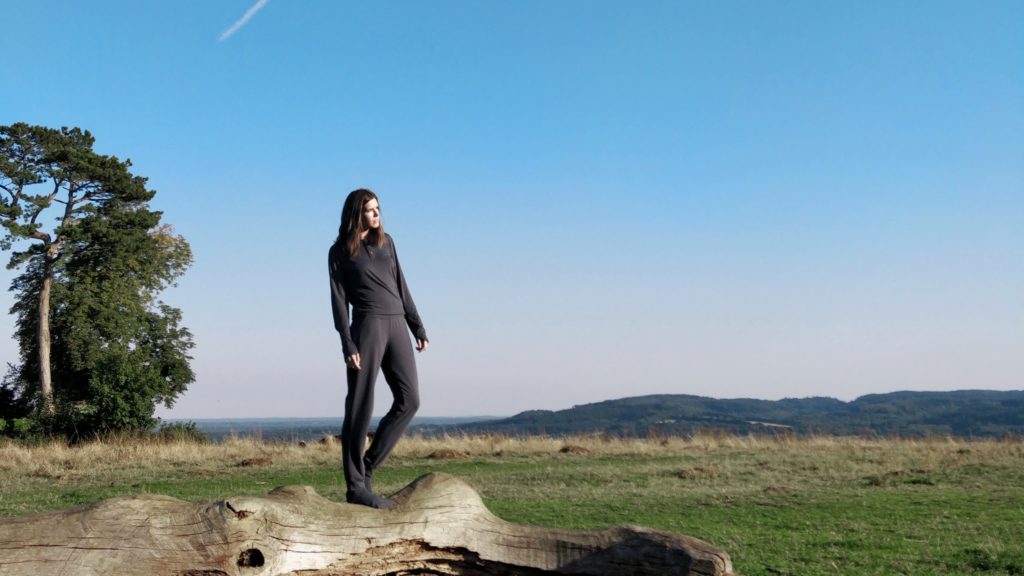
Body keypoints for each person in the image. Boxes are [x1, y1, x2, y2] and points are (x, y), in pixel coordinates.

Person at [328, 188, 428, 508]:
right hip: (367, 326)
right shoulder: (339, 251)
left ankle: (367, 469)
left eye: (378, 209)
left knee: (410, 400)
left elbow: (402, 286)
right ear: (356, 213)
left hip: (397, 322)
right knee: (360, 405)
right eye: (370, 210)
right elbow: (339, 302)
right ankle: (356, 487)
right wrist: (347, 341)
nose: (376, 215)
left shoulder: (387, 243)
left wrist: (417, 325)